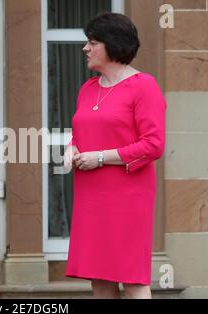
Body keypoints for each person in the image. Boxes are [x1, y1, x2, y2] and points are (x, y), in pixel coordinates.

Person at [64, 12, 166, 299]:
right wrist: (72, 148)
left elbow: (153, 145)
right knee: (100, 280)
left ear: (112, 44)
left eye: (92, 42)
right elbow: (81, 131)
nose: (85, 48)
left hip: (128, 197)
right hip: (91, 195)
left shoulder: (144, 86)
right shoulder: (88, 89)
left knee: (132, 279)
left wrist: (99, 157)